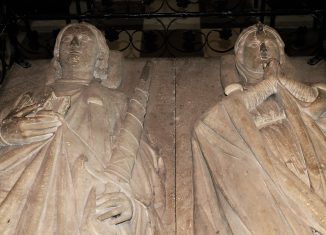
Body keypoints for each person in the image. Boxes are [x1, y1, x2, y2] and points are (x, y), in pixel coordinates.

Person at [0, 22, 165, 235]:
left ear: (100, 56)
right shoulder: (27, 100)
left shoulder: (117, 102)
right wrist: (4, 135)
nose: (75, 44)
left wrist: (132, 202)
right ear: (57, 54)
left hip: (90, 201)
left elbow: (142, 156)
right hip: (19, 202)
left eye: (85, 40)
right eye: (68, 39)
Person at [192, 23, 326, 234]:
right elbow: (209, 126)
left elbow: (318, 103)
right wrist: (268, 85)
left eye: (269, 44)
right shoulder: (233, 103)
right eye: (254, 44)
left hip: (310, 162)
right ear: (240, 58)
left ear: (281, 54)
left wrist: (280, 82)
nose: (263, 49)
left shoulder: (311, 89)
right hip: (260, 173)